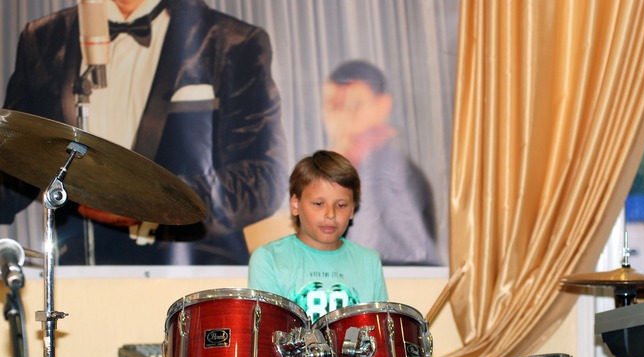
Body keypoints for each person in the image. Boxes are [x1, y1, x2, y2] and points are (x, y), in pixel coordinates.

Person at [0, 0, 287, 265]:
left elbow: (263, 178)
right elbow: (15, 163)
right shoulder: (44, 38)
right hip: (80, 270)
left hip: (193, 269)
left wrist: (148, 202)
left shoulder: (232, 41)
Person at [322, 59, 440, 265]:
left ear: (383, 106)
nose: (342, 118)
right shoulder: (329, 175)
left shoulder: (397, 176)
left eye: (355, 105)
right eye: (334, 106)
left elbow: (407, 260)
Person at [248, 150, 388, 323]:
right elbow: (268, 332)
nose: (331, 214)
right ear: (295, 204)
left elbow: (378, 332)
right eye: (319, 204)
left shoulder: (369, 261)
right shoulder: (268, 259)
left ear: (352, 209)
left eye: (341, 205)